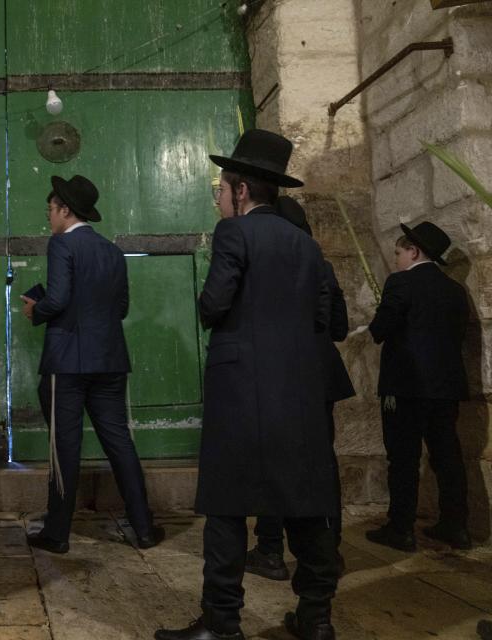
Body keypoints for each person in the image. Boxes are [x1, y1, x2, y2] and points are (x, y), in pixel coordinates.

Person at [155, 130, 339, 640]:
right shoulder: (306, 244)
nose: (218, 197)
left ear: (241, 191)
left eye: (220, 188)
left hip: (241, 390)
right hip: (299, 391)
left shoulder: (234, 235)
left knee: (227, 505)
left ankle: (221, 622)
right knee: (304, 502)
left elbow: (213, 306)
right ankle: (316, 617)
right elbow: (323, 318)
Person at [21, 174, 163, 554]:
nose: (49, 217)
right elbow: (121, 308)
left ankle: (57, 532)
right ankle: (145, 528)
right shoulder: (113, 251)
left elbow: (59, 299)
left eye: (51, 209)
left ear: (66, 210)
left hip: (67, 362)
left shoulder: (62, 244)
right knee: (120, 443)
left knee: (64, 446)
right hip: (110, 359)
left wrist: (37, 309)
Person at [246, 197, 355, 581]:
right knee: (321, 464)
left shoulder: (273, 262)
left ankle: (270, 549)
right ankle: (330, 549)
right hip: (321, 376)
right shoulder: (320, 264)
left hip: (284, 375)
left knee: (274, 461)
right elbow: (338, 327)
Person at [365, 221, 471, 552]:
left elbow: (380, 330)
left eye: (398, 252)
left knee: (404, 459)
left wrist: (379, 311)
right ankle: (456, 527)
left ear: (414, 251)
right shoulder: (455, 291)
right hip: (445, 388)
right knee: (447, 457)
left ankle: (401, 529)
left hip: (406, 388)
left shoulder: (401, 283)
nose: (396, 259)